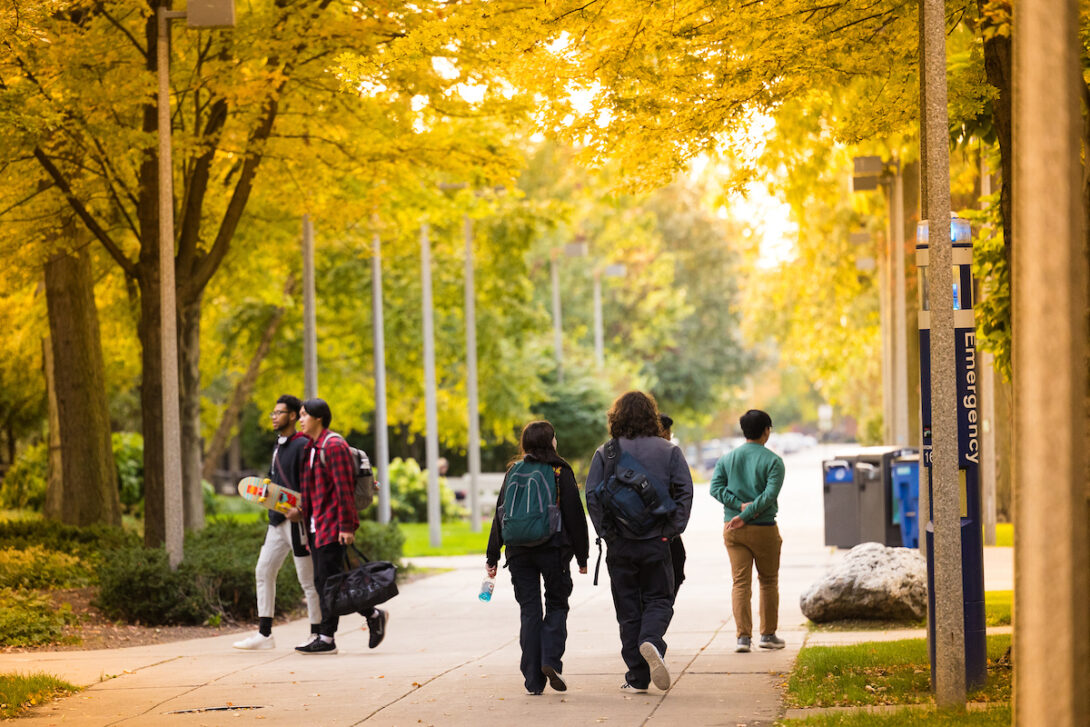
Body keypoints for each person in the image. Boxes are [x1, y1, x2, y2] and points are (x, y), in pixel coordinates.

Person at [586, 391, 693, 693]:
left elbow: (592, 497)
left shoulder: (605, 453)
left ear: (616, 417)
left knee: (628, 607)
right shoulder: (669, 451)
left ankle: (637, 676)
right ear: (652, 416)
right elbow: (685, 493)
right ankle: (652, 640)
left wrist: (607, 533)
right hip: (656, 540)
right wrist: (671, 530)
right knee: (660, 598)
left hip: (620, 544)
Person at [486, 421, 590, 696]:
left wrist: (492, 555)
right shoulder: (559, 471)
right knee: (556, 604)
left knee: (529, 611)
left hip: (518, 551)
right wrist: (582, 556)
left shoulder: (514, 471)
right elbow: (575, 516)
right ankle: (551, 660)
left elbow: (500, 513)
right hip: (553, 550)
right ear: (551, 442)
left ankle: (533, 681)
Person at [286, 398, 388, 654]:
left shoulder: (334, 446)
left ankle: (327, 637)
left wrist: (346, 526)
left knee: (328, 582)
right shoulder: (312, 447)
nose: (300, 419)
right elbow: (312, 491)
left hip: (332, 526)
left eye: (303, 415)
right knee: (330, 582)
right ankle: (372, 614)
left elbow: (344, 490)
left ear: (318, 418)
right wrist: (301, 512)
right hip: (316, 526)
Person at [233, 395, 322, 651]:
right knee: (263, 571)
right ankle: (264, 634)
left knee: (307, 580)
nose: (274, 417)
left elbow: (311, 482)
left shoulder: (304, 445)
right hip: (276, 521)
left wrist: (303, 509)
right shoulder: (279, 444)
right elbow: (276, 479)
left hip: (297, 523)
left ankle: (317, 632)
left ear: (293, 416)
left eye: (279, 413)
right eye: (272, 413)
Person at [709, 409, 786, 653]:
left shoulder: (726, 459)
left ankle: (743, 638)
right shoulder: (774, 462)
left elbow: (715, 488)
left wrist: (737, 509)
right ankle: (768, 635)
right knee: (768, 581)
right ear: (766, 431)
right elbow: (769, 496)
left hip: (733, 529)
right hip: (763, 529)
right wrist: (747, 515)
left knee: (740, 583)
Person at [659, 414, 686, 600]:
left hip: (629, 529)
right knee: (676, 564)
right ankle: (659, 610)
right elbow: (683, 490)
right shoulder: (667, 453)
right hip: (664, 526)